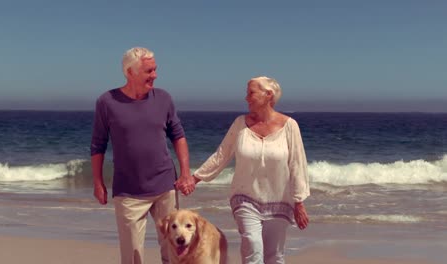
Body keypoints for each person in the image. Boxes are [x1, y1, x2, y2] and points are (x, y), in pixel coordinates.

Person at [176, 76, 310, 264]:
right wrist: (194, 178)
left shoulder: (290, 126)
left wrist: (299, 202)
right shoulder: (240, 124)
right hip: (245, 199)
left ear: (268, 95)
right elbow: (221, 155)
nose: (246, 98)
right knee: (253, 247)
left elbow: (297, 164)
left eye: (251, 93)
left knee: (274, 256)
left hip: (280, 200)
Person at [90, 47, 195, 264]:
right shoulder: (107, 102)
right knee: (132, 257)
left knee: (175, 253)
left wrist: (185, 173)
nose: (154, 75)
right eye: (149, 71)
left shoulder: (164, 98)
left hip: (165, 187)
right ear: (130, 72)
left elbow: (179, 136)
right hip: (128, 193)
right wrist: (98, 182)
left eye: (155, 69)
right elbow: (98, 145)